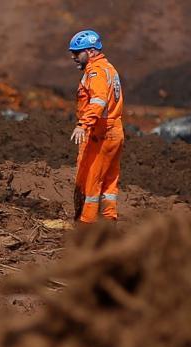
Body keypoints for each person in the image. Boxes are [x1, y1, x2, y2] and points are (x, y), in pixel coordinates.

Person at [68, 29, 123, 223]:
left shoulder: (96, 72)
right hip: (114, 131)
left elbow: (98, 101)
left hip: (101, 133)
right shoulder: (109, 68)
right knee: (109, 182)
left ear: (91, 51)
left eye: (77, 53)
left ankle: (86, 227)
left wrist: (83, 124)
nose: (74, 57)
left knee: (91, 182)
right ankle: (108, 224)